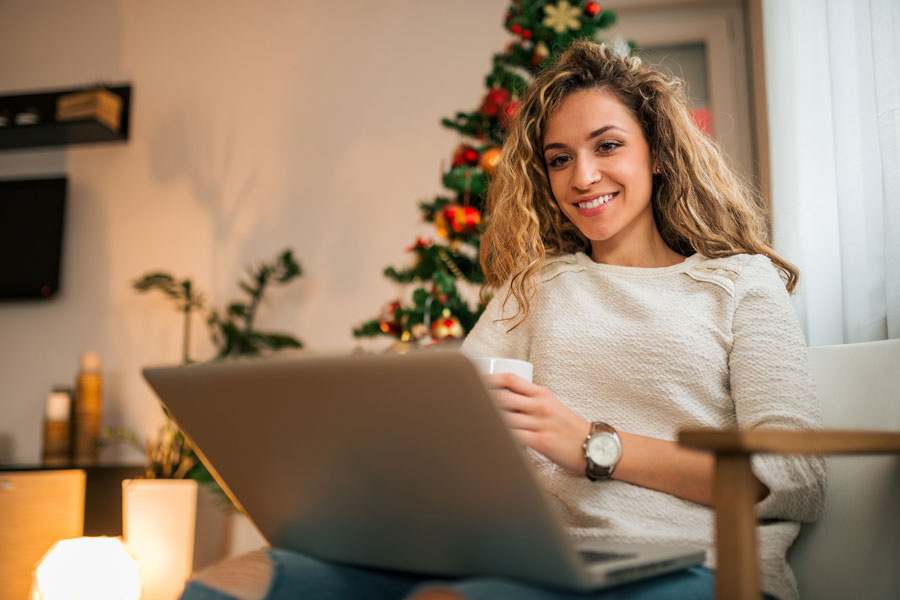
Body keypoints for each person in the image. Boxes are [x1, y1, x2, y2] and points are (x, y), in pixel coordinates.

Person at [181, 40, 825, 600]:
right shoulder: (535, 287)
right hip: (528, 561)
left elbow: (791, 480)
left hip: (701, 569)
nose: (583, 175)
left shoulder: (739, 282)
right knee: (235, 583)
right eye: (559, 158)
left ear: (656, 154)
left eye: (607, 146)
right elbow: (442, 429)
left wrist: (596, 445)